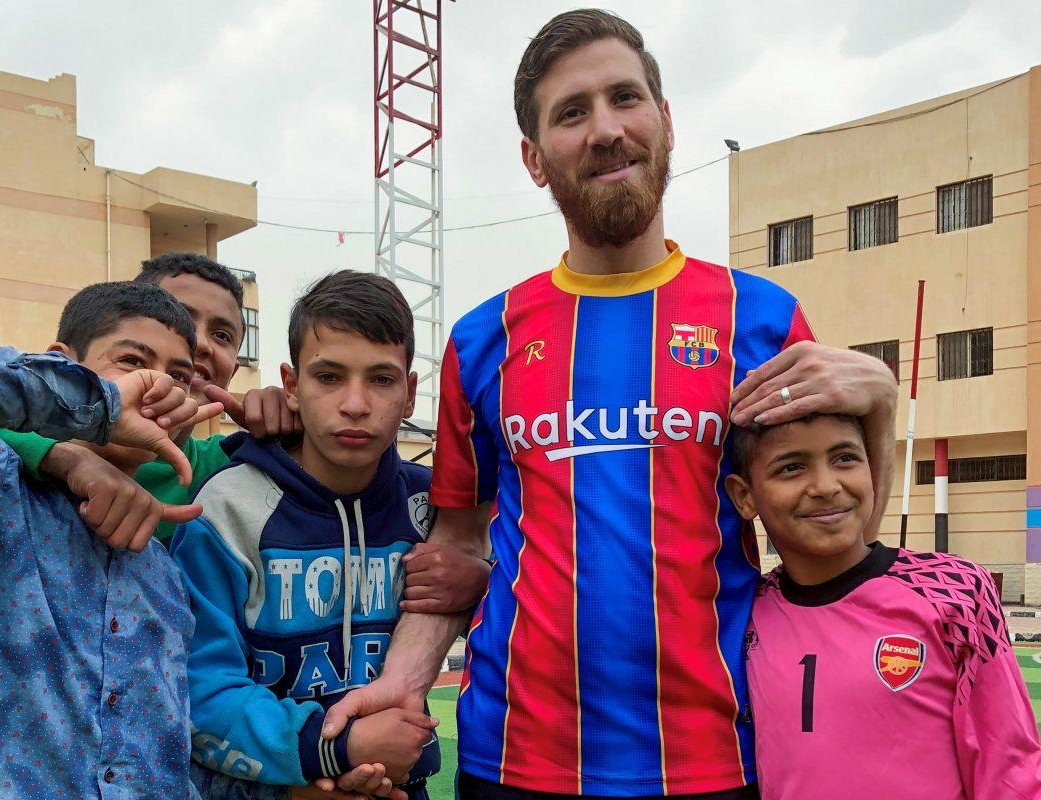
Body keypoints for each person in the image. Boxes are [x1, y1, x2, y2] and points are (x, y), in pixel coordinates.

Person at [319, 9, 899, 800]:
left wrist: (883, 415)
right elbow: (457, 549)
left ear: (665, 121)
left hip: (721, 764)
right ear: (533, 158)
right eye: (571, 112)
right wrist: (406, 682)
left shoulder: (762, 321)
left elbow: (835, 545)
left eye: (625, 98)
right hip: (512, 764)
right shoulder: (482, 338)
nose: (604, 129)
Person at [0, 281, 223, 799]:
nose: (160, 388)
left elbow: (166, 758)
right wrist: (99, 405)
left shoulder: (162, 570)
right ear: (62, 362)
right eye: (132, 361)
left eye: (179, 376)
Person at [172, 272, 481, 800]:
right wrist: (336, 747)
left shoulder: (438, 510)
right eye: (329, 377)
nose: (356, 404)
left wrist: (482, 579)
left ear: (410, 395)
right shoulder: (226, 509)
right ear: (291, 386)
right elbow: (198, 689)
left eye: (382, 380)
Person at [726, 414, 1041, 797]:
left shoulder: (956, 591)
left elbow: (1011, 768)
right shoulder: (743, 613)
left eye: (844, 458)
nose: (827, 486)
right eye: (792, 467)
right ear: (745, 497)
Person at [0, 252, 248, 551]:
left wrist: (280, 414)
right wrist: (61, 455)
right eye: (176, 316)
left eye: (223, 335)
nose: (198, 343)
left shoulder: (223, 468)